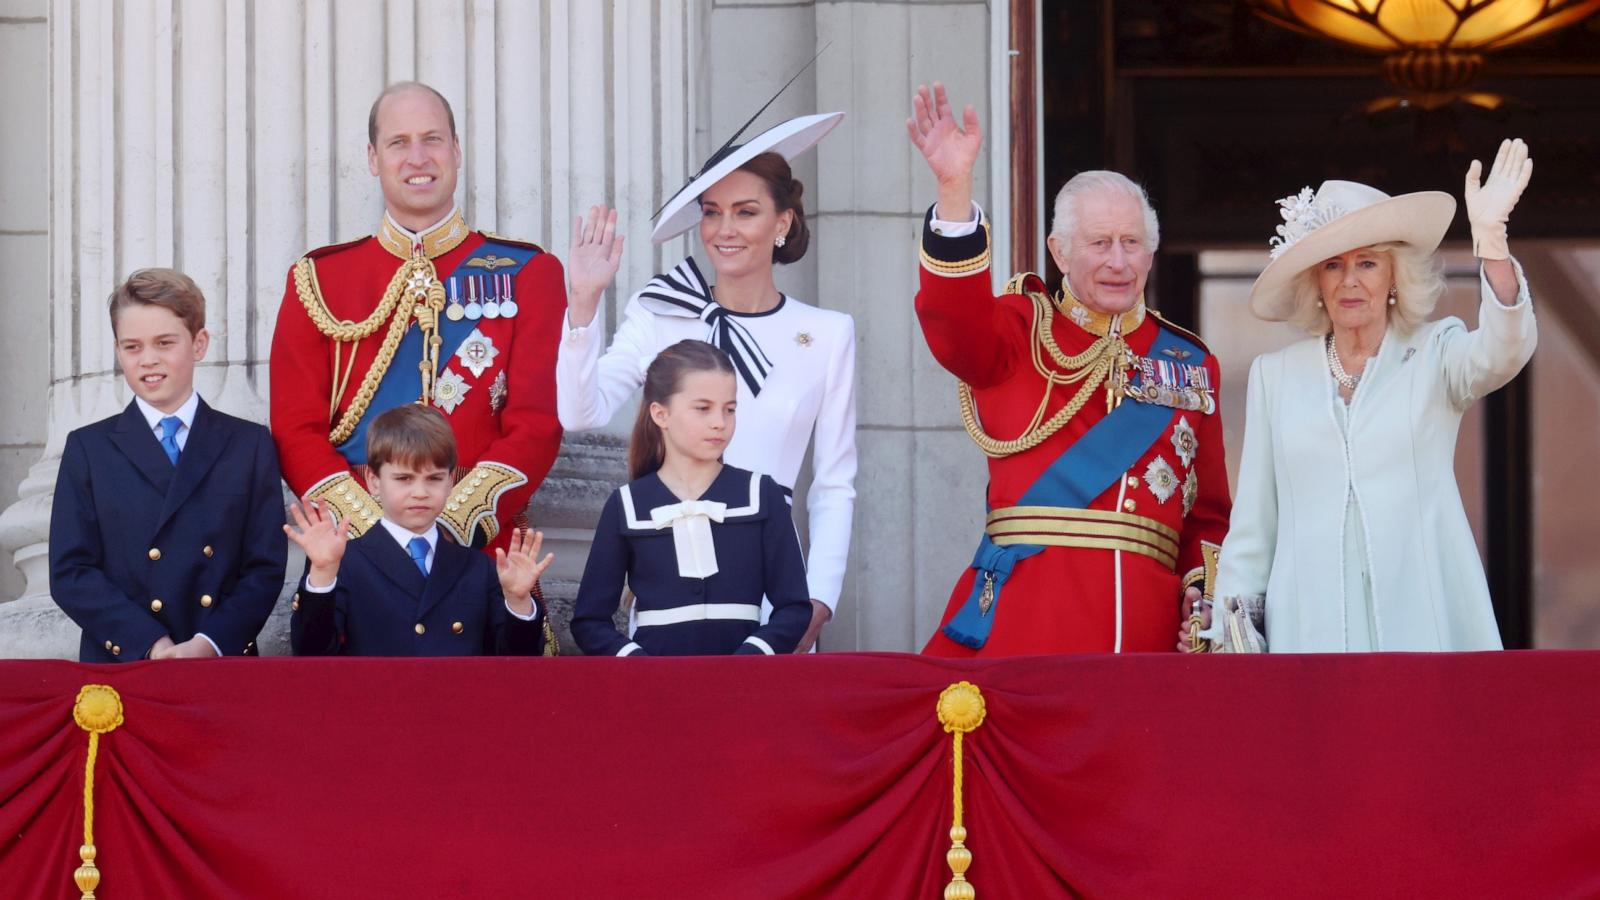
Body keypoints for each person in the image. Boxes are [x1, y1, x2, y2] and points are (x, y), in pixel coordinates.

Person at [907, 83, 1232, 656]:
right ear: (1058, 252)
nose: (1117, 261)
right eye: (1099, 242)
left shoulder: (1189, 363)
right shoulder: (1017, 330)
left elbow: (1207, 517)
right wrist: (954, 191)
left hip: (1146, 638)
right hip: (1025, 626)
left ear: (1152, 254)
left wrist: (1198, 599)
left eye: (1132, 243)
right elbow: (954, 322)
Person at [1189, 139, 1537, 653]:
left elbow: (1503, 350)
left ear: (1395, 275)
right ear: (1317, 281)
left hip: (1425, 622)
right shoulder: (1275, 376)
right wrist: (1233, 632)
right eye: (1333, 265)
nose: (1350, 281)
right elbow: (1255, 526)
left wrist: (1490, 241)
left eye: (1368, 263)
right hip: (1308, 631)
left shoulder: (1436, 353)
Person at [269, 81, 617, 553]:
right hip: (354, 553)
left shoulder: (529, 273)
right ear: (373, 158)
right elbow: (296, 429)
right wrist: (375, 533)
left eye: (432, 139)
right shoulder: (317, 280)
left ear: (455, 150)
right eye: (398, 143)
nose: (417, 158)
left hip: (479, 554)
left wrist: (452, 524)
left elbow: (535, 425)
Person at [557, 112, 856, 653]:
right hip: (669, 584)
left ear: (783, 222)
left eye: (746, 212)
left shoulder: (828, 334)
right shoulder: (661, 310)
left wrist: (817, 601)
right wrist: (582, 306)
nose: (725, 230)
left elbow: (834, 482)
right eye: (712, 212)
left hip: (774, 591)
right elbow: (581, 413)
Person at [50, 268, 287, 661]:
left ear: (199, 343)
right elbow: (71, 571)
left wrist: (210, 643)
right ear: (118, 351)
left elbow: (264, 566)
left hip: (220, 662)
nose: (148, 360)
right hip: (126, 663)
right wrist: (148, 642)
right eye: (132, 347)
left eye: (164, 343)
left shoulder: (249, 444)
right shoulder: (88, 449)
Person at [570, 340, 812, 657]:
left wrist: (752, 657)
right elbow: (590, 622)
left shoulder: (760, 494)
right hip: (657, 693)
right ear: (660, 414)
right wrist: (638, 663)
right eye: (703, 408)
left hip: (746, 691)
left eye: (730, 409)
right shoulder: (627, 505)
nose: (719, 422)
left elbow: (794, 607)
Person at [287, 404, 551, 656]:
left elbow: (516, 663)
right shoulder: (345, 562)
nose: (420, 493)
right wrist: (321, 576)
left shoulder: (479, 567)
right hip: (375, 700)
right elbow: (312, 653)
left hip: (460, 701)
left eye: (434, 479)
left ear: (450, 482)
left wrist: (518, 602)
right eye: (404, 479)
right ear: (374, 481)